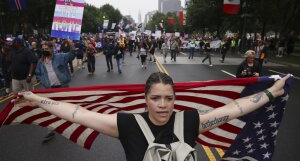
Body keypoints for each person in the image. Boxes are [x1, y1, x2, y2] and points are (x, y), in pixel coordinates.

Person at [15, 72, 291, 161]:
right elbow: (78, 114)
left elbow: (234, 109)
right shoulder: (127, 124)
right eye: (155, 98)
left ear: (175, 100)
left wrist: (272, 93)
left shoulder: (192, 121)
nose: (162, 105)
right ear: (145, 100)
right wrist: (37, 99)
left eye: (169, 98)